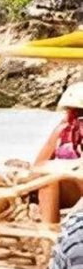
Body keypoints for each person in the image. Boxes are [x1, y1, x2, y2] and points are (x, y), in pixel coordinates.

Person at [34, 82, 83, 224]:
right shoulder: (62, 131)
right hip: (72, 189)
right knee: (48, 179)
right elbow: (38, 167)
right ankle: (48, 235)